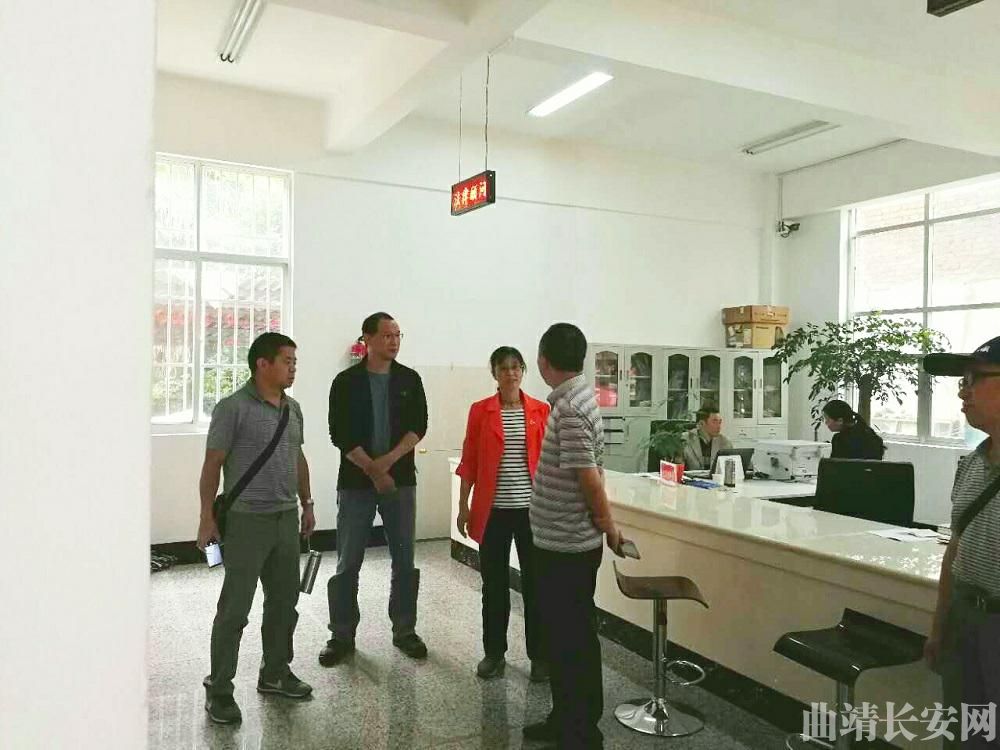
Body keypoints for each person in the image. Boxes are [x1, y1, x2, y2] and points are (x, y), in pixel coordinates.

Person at [196, 332, 316, 725]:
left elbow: (297, 457)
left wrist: (307, 504)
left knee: (284, 603)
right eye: (286, 361)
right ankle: (219, 689)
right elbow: (213, 465)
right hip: (247, 521)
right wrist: (206, 517)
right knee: (235, 610)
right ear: (262, 364)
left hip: (285, 518)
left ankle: (275, 673)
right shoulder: (233, 408)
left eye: (295, 362)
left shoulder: (293, 409)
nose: (293, 368)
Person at [523, 323, 625, 750]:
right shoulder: (576, 399)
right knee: (563, 638)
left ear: (544, 361)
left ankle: (582, 730)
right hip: (558, 542)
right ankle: (564, 717)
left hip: (567, 548)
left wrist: (609, 526)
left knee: (573, 641)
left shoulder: (571, 409)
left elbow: (589, 478)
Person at [319, 312, 429, 665]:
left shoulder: (409, 379)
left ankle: (405, 630)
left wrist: (388, 463)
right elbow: (340, 433)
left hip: (401, 481)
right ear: (366, 339)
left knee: (404, 559)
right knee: (348, 561)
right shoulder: (346, 382)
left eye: (398, 335)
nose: (394, 341)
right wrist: (372, 469)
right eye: (386, 335)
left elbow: (418, 426)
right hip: (356, 483)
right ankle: (341, 634)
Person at [923, 335, 1000, 750]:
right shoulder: (972, 464)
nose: (962, 392)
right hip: (965, 619)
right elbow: (957, 548)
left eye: (974, 379)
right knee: (966, 735)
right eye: (961, 381)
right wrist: (940, 626)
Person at [456, 347, 550, 681]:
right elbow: (470, 461)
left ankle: (540, 656)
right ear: (494, 372)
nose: (510, 373)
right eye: (503, 368)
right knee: (493, 586)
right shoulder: (480, 411)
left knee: (536, 586)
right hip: (492, 512)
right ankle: (494, 654)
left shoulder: (541, 410)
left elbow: (550, 462)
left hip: (532, 512)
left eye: (516, 367)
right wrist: (463, 505)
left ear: (523, 370)